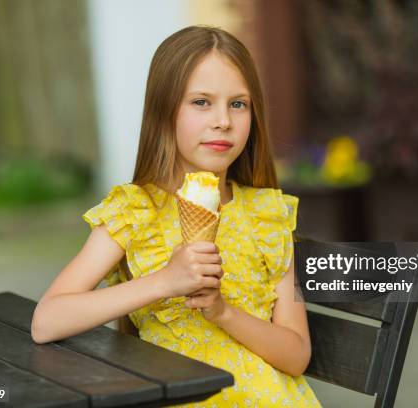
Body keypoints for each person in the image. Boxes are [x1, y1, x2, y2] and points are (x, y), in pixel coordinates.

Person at [31, 25, 322, 407]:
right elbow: (47, 321)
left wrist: (222, 311)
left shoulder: (267, 215)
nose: (223, 121)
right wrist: (165, 281)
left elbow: (296, 355)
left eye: (238, 104)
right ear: (164, 110)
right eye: (201, 102)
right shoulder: (137, 211)